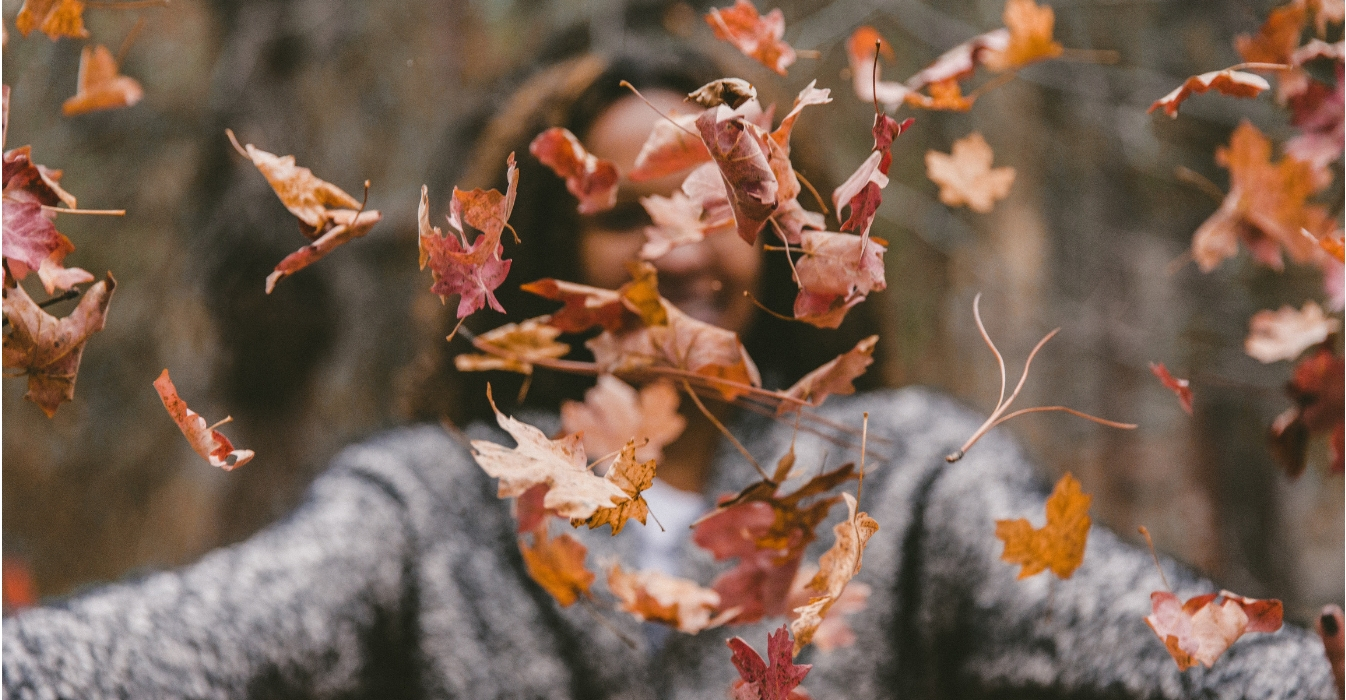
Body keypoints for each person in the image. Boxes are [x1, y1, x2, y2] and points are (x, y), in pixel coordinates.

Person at [3, 32, 1340, 700]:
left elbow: (1155, 644)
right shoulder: (429, 507)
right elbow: (200, 636)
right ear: (536, 257)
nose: (679, 247)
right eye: (622, 208)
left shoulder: (899, 479)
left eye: (717, 204)